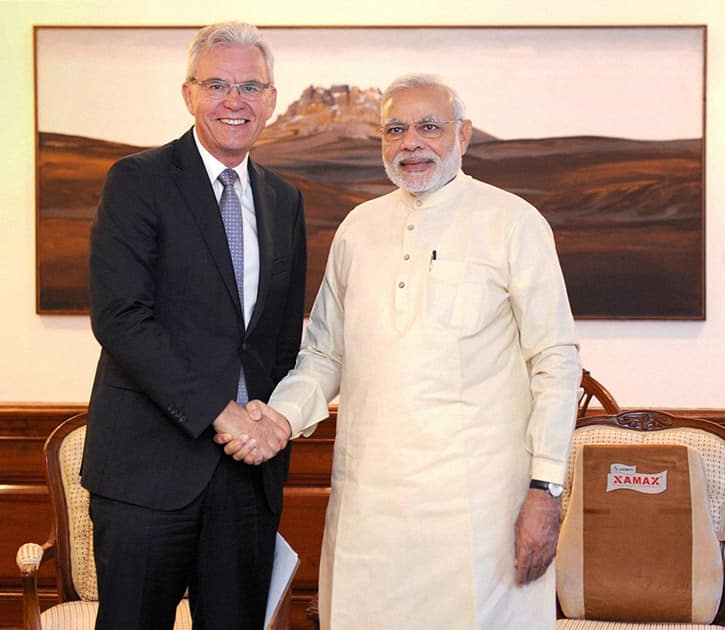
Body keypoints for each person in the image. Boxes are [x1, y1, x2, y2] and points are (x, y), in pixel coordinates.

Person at [219, 73, 581, 629]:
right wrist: (278, 420)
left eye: (429, 126)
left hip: (480, 509)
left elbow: (555, 361)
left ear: (462, 137)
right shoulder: (359, 229)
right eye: (395, 129)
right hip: (371, 508)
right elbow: (323, 354)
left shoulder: (513, 223)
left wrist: (545, 489)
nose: (411, 142)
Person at [81, 21, 305, 630]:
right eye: (218, 84)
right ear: (189, 94)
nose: (235, 100)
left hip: (246, 478)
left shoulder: (284, 200)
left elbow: (282, 339)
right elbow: (122, 318)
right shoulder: (138, 181)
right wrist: (220, 412)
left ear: (272, 100)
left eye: (251, 86)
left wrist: (267, 424)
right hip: (147, 474)